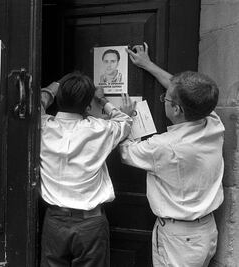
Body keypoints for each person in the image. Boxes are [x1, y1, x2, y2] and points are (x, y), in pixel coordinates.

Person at [120, 43, 224, 266]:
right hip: (205, 231)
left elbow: (127, 152)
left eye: (166, 99)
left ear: (176, 109)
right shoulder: (213, 123)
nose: (164, 100)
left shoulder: (164, 146)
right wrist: (148, 65)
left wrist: (124, 118)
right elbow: (183, 91)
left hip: (179, 239)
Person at [40, 71, 134, 266]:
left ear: (58, 98)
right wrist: (103, 100)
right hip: (90, 225)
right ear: (88, 104)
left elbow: (38, 103)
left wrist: (52, 88)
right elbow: (124, 120)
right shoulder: (100, 129)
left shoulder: (42, 126)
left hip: (55, 222)